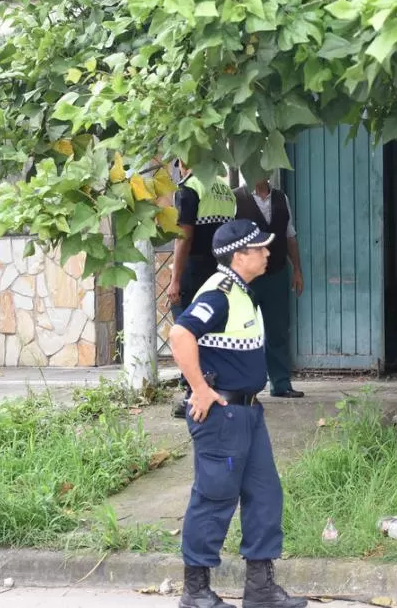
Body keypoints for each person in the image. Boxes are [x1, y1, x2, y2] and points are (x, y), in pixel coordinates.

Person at [168, 219, 307, 608]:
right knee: (214, 498)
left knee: (265, 494)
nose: (266, 253)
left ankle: (261, 590)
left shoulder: (243, 292)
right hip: (223, 415)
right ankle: (195, 591)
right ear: (239, 254)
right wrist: (199, 389)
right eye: (259, 248)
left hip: (248, 412)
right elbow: (180, 335)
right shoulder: (220, 292)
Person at [170, 166, 237, 418]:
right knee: (215, 330)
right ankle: (220, 389)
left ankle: (192, 394)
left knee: (187, 330)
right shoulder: (223, 188)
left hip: (195, 269)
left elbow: (184, 236)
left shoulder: (189, 188)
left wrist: (175, 279)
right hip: (221, 271)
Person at [233, 178, 305, 398]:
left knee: (279, 329)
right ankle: (243, 386)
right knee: (243, 331)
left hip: (277, 272)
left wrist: (297, 271)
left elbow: (289, 235)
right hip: (248, 276)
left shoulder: (281, 198)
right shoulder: (235, 198)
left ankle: (281, 383)